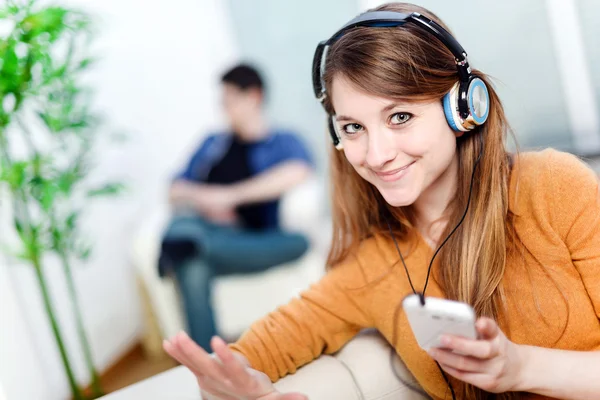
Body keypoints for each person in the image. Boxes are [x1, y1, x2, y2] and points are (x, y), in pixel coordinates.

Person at [162, 3, 600, 400]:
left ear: (463, 107)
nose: (375, 155)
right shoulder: (372, 264)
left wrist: (521, 368)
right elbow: (259, 350)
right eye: (353, 127)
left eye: (400, 116)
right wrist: (237, 384)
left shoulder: (554, 188)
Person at [159, 63, 314, 351]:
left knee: (301, 242)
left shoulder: (283, 141)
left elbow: (298, 171)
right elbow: (175, 189)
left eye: (229, 101)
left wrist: (230, 196)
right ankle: (211, 362)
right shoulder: (211, 144)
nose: (224, 109)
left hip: (258, 242)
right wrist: (207, 199)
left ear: (254, 96)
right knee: (191, 258)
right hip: (213, 231)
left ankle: (183, 245)